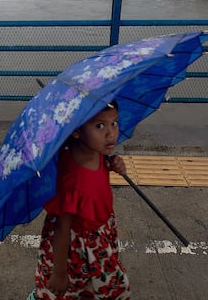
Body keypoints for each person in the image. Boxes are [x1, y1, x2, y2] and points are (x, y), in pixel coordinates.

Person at [29, 102, 131, 299]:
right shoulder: (73, 181)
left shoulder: (96, 151)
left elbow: (102, 167)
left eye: (115, 123)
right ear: (76, 131)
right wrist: (59, 272)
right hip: (80, 244)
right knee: (93, 288)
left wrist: (115, 163)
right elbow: (62, 229)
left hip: (100, 228)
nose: (111, 133)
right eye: (100, 126)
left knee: (86, 288)